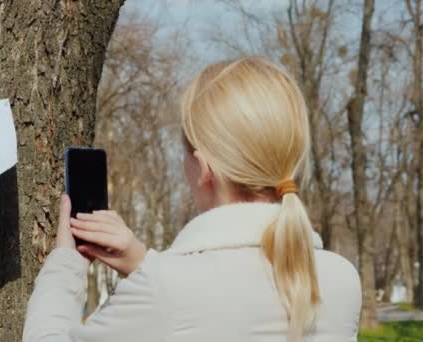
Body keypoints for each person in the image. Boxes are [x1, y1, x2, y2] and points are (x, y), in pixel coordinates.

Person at [22, 57, 362, 342]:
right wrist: (144, 264)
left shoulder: (167, 290)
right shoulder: (342, 279)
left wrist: (66, 263)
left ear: (202, 168)